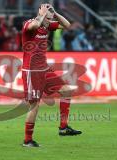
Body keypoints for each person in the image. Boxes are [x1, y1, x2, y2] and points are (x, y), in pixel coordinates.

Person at [22, 3, 82, 147]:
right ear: (41, 12)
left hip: (44, 69)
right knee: (34, 105)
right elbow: (33, 27)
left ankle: (63, 127)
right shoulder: (29, 23)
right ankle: (27, 140)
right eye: (49, 13)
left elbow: (67, 25)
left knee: (66, 90)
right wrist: (42, 14)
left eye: (51, 13)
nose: (51, 17)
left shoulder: (47, 26)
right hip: (32, 71)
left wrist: (55, 14)